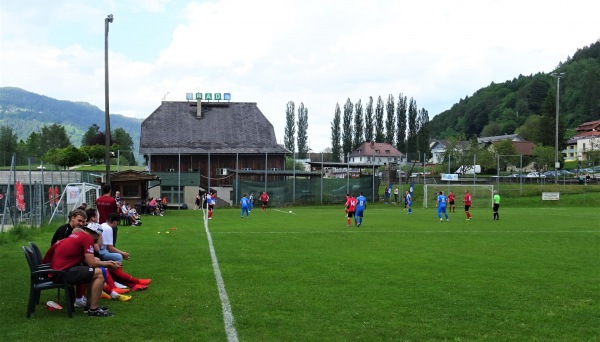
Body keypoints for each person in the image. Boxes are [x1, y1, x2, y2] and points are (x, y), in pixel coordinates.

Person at [43, 222, 121, 317]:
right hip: (62, 273)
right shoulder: (87, 238)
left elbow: (86, 259)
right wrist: (108, 264)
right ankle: (94, 309)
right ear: (96, 234)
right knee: (99, 273)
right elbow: (91, 263)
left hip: (57, 271)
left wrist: (107, 262)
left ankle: (89, 306)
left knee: (92, 273)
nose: (97, 239)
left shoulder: (77, 235)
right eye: (99, 236)